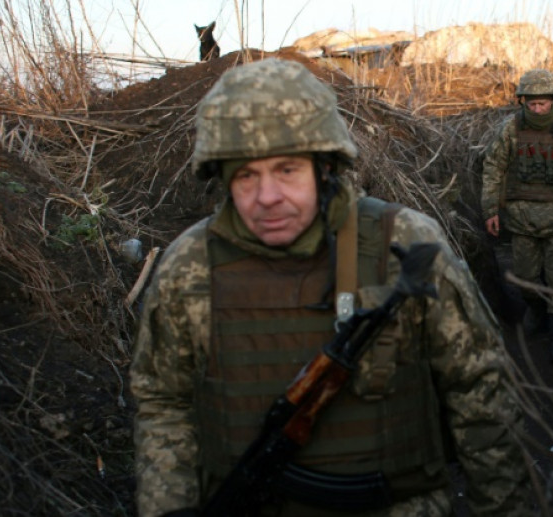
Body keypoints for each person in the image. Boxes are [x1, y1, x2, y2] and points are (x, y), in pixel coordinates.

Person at [130, 58, 531, 517]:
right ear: (222, 179)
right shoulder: (190, 266)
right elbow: (163, 402)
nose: (267, 197)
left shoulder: (405, 243)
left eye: (287, 170)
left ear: (324, 167)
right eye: (245, 175)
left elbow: (481, 391)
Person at [481, 69, 553, 364]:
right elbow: (493, 168)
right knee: (525, 278)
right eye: (531, 104)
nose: (536, 109)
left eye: (542, 104)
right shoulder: (510, 128)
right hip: (521, 222)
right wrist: (490, 210)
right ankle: (536, 308)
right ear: (523, 102)